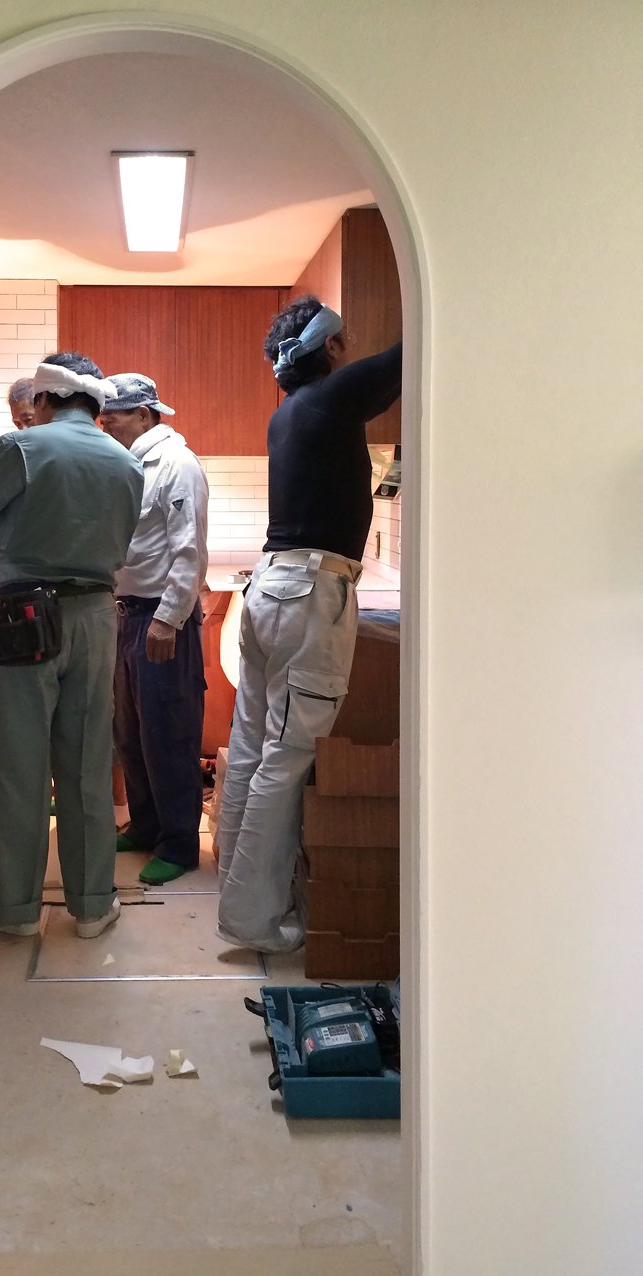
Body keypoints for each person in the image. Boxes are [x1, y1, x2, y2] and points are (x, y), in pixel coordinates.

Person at [216, 296, 402, 953]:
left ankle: (236, 897)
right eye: (344, 340)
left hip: (270, 587)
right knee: (287, 758)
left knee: (252, 748)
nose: (351, 351)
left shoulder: (290, 412)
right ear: (329, 347)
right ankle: (253, 921)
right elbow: (417, 349)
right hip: (308, 591)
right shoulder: (331, 398)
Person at [0, 352, 144, 939]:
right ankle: (93, 906)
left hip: (26, 618)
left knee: (19, 767)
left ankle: (18, 911)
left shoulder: (21, 448)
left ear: (44, 401)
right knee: (87, 766)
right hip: (97, 616)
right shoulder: (126, 462)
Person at [99, 374, 209, 886]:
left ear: (144, 414)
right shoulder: (127, 464)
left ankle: (179, 844)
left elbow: (189, 551)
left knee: (168, 732)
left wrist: (168, 618)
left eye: (113, 418)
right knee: (131, 733)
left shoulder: (177, 465)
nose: (105, 426)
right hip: (125, 615)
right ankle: (146, 826)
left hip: (160, 617)